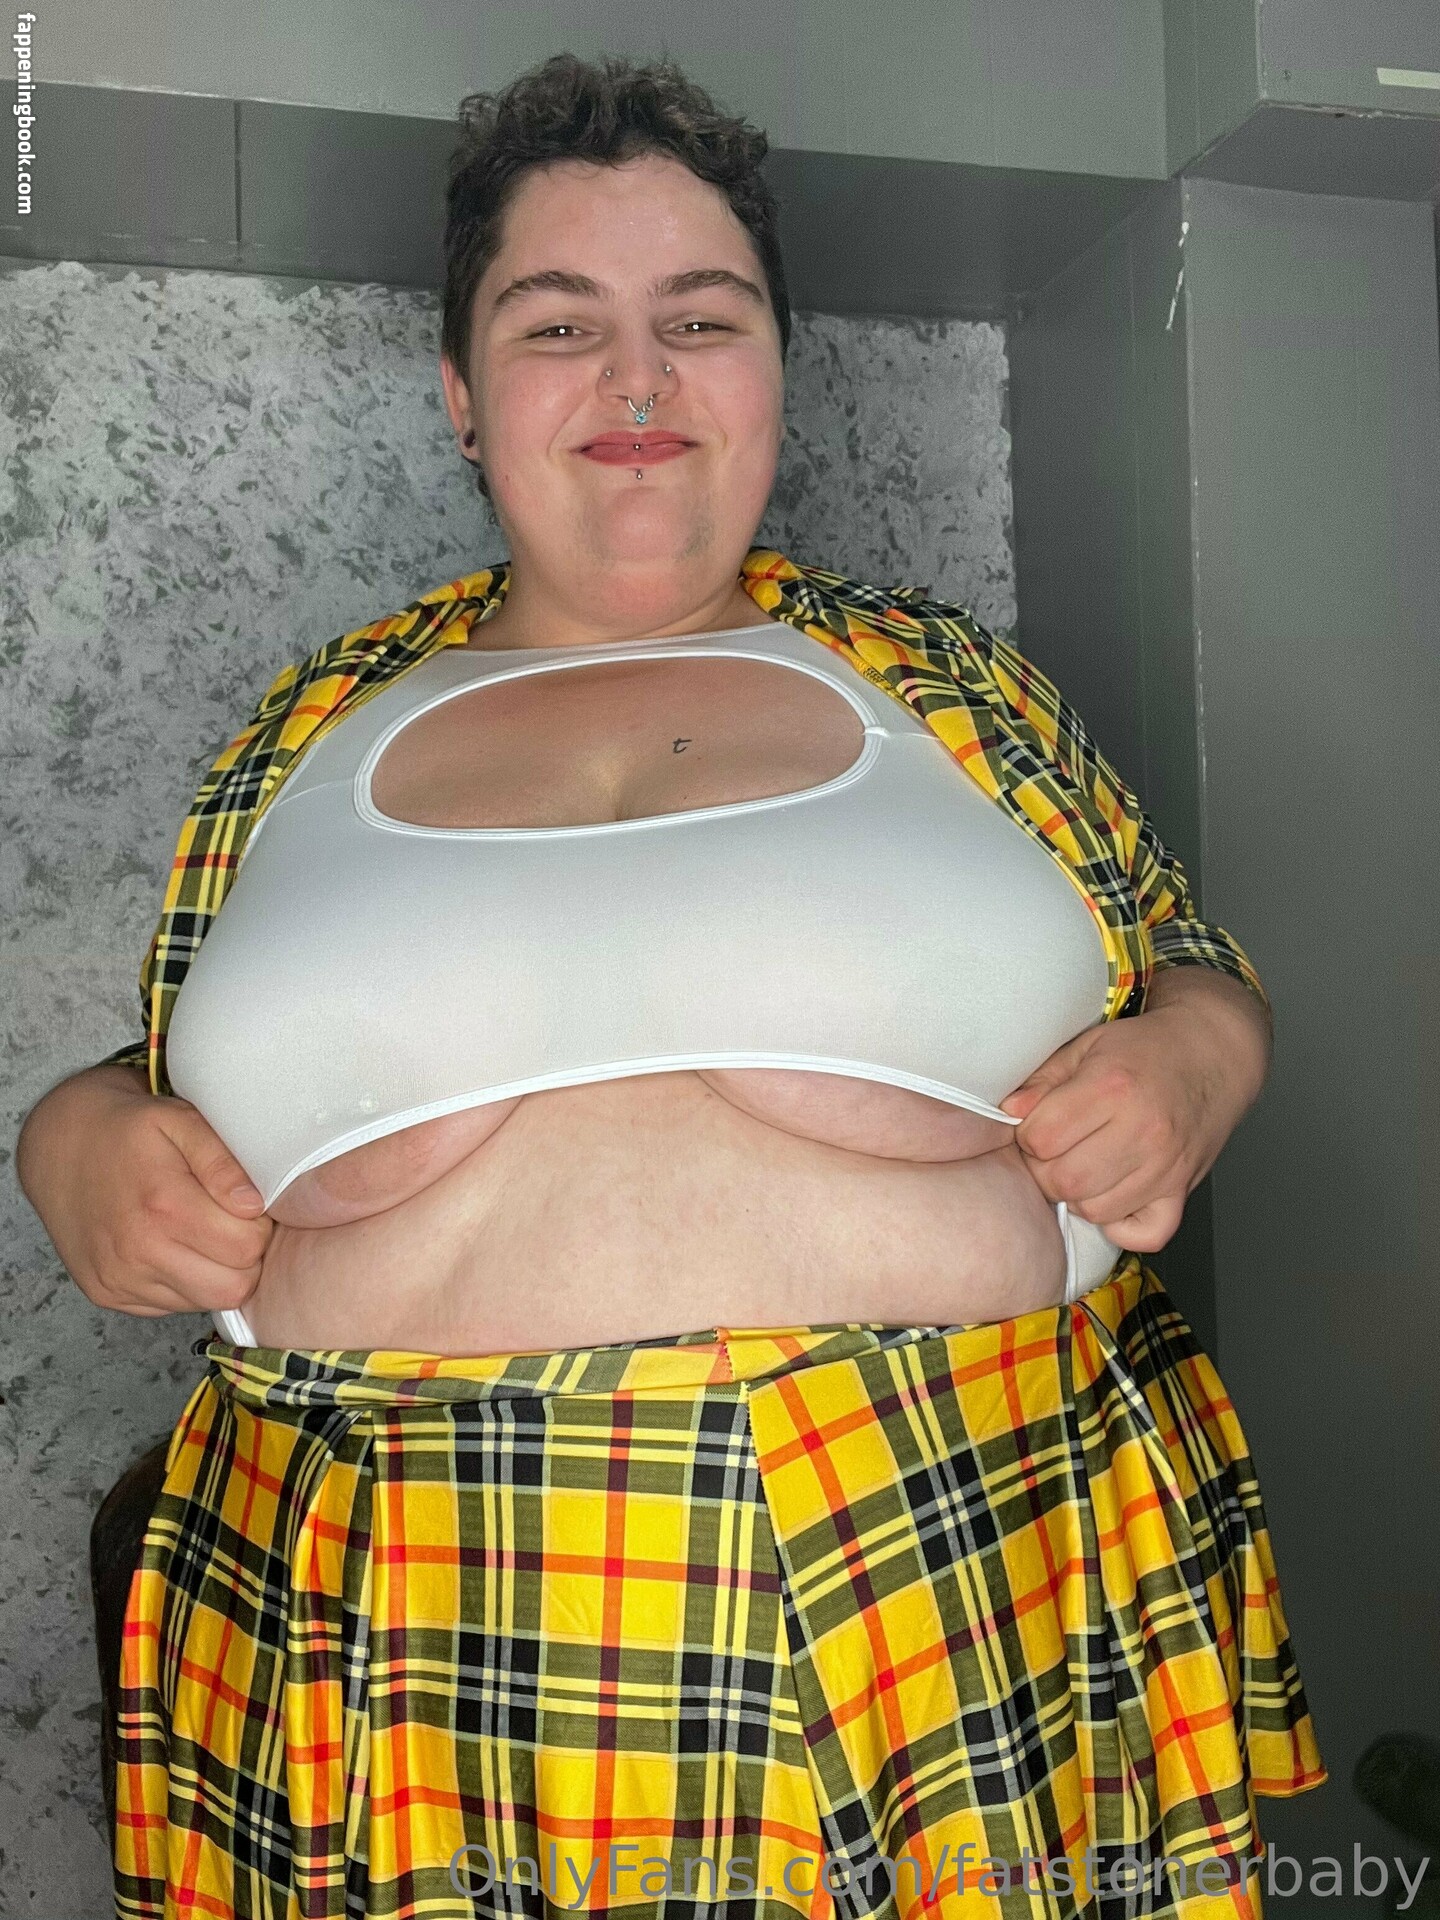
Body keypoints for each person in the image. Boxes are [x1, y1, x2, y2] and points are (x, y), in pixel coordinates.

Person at [16, 51, 1325, 1920]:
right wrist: (70, 1136)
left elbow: (1189, 964)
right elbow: (163, 1069)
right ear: (462, 391)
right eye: (560, 325)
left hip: (948, 1592)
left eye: (700, 320)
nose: (637, 380)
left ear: (777, 367)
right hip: (400, 1650)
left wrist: (1197, 1058)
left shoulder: (950, 685)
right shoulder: (300, 734)